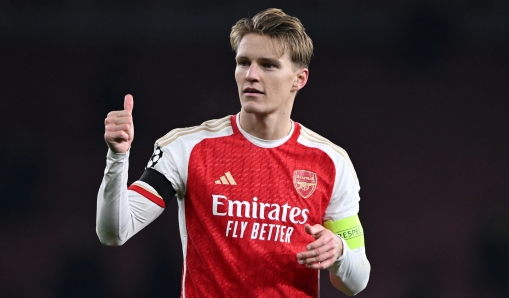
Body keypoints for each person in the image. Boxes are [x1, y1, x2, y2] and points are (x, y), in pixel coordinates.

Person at [97, 8, 370, 297]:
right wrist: (117, 157)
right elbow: (114, 232)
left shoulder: (330, 162)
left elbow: (356, 282)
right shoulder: (186, 148)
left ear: (299, 79)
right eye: (244, 63)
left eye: (267, 65)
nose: (251, 75)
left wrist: (339, 252)